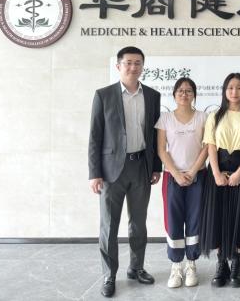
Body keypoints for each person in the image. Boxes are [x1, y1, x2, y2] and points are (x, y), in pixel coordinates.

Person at [87, 46, 161, 298]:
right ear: (118, 66)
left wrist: (156, 166)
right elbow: (95, 136)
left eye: (138, 63)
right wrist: (94, 173)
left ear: (142, 67)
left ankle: (136, 268)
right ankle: (109, 274)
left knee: (138, 223)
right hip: (111, 171)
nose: (133, 67)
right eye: (128, 62)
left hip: (141, 167)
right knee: (109, 224)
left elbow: (154, 135)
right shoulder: (103, 95)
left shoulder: (152, 95)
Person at [199, 72, 240, 288]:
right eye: (230, 87)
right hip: (216, 173)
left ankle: (236, 265)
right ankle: (221, 265)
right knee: (218, 218)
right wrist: (216, 173)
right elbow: (210, 145)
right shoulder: (214, 116)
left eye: (239, 87)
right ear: (224, 91)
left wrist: (239, 172)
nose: (234, 92)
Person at [155, 77, 208, 288]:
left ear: (194, 94)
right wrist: (176, 174)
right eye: (180, 91)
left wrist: (193, 171)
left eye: (188, 91)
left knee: (196, 219)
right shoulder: (165, 119)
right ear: (174, 94)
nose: (184, 94)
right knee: (173, 220)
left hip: (198, 176)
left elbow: (207, 147)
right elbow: (161, 150)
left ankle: (191, 264)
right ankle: (176, 266)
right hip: (172, 177)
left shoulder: (203, 117)